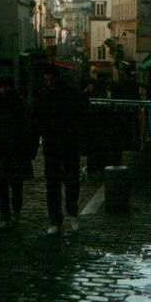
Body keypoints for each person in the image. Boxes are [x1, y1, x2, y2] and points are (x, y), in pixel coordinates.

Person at [33, 64, 87, 235]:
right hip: (52, 144)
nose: (48, 83)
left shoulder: (71, 94)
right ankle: (56, 219)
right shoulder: (43, 95)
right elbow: (37, 121)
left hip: (69, 143)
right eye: (46, 80)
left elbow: (83, 116)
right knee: (53, 184)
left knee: (70, 181)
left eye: (50, 79)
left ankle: (71, 213)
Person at [0, 75, 35, 231]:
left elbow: (28, 128)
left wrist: (27, 148)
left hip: (16, 151)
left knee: (16, 185)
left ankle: (16, 212)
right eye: (1, 87)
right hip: (0, 151)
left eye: (6, 87)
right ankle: (5, 216)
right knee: (1, 186)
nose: (3, 90)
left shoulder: (22, 105)